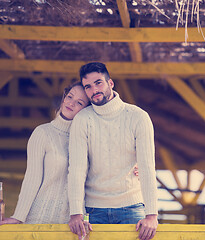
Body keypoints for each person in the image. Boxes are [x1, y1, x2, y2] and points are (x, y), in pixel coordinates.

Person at [68, 62, 158, 240]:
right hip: (93, 211)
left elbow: (147, 168)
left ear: (110, 83)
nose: (94, 90)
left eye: (98, 83)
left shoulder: (138, 116)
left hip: (132, 208)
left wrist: (152, 215)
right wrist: (76, 213)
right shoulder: (82, 120)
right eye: (88, 87)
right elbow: (77, 169)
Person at [0, 82, 91, 225]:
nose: (71, 103)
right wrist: (18, 216)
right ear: (64, 97)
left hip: (75, 224)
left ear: (86, 110)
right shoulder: (42, 133)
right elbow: (32, 178)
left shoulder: (88, 140)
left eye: (79, 103)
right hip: (40, 218)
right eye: (70, 97)